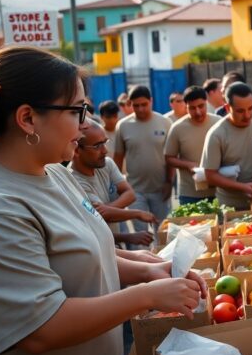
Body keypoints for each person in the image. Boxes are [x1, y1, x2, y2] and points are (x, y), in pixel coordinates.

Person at [0, 46, 206, 355]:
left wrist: (149, 271)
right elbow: (40, 329)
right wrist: (146, 295)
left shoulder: (54, 173)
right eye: (77, 110)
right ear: (28, 118)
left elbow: (85, 253)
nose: (85, 124)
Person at [69, 122, 158, 247]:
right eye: (97, 146)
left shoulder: (106, 164)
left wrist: (107, 210)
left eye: (105, 142)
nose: (105, 150)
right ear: (76, 150)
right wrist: (136, 214)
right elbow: (97, 219)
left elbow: (130, 194)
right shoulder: (73, 181)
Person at [201, 82, 252, 210]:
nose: (247, 115)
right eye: (240, 111)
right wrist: (243, 187)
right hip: (230, 206)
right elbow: (210, 175)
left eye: (251, 108)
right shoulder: (216, 134)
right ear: (227, 108)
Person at [114, 86, 173, 230]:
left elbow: (171, 156)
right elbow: (118, 158)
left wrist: (169, 182)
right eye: (136, 105)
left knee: (163, 232)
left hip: (160, 189)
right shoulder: (123, 126)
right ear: (130, 104)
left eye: (144, 104)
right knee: (141, 235)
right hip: (134, 191)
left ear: (151, 101)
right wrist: (118, 186)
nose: (140, 109)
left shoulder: (165, 123)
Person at [164, 86, 220, 205]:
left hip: (218, 190)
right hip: (189, 194)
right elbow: (169, 158)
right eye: (192, 108)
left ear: (206, 103)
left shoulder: (218, 123)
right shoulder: (177, 128)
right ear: (186, 106)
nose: (198, 112)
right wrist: (189, 165)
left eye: (201, 106)